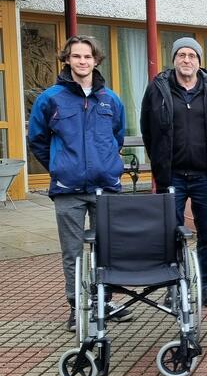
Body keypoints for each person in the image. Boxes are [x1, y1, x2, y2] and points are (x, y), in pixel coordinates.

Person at [29, 35, 132, 331]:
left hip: (105, 187)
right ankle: (78, 307)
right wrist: (60, 167)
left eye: (87, 57)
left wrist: (107, 165)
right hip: (68, 190)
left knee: (107, 247)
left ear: (96, 60)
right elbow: (37, 139)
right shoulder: (50, 99)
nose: (82, 62)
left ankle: (104, 301)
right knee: (72, 252)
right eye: (76, 56)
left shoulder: (110, 99)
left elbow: (117, 137)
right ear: (67, 60)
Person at [141, 37, 207, 308]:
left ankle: (205, 283)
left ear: (199, 61)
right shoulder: (158, 89)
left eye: (192, 55)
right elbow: (148, 129)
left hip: (205, 175)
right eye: (181, 55)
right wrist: (159, 162)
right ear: (174, 60)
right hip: (173, 175)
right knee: (171, 232)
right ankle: (174, 284)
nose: (187, 60)